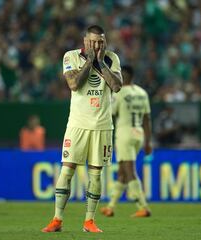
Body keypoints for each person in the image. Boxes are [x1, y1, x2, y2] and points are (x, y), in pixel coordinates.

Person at [42, 25, 123, 233]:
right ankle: (57, 219)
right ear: (85, 41)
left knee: (96, 175)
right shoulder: (71, 57)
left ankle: (89, 222)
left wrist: (100, 62)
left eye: (100, 41)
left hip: (102, 126)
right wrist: (89, 60)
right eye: (93, 41)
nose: (97, 45)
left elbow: (116, 86)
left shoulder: (112, 58)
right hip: (77, 124)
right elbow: (74, 84)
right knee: (66, 170)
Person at [100, 65, 152, 218]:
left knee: (129, 170)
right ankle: (110, 207)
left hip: (125, 134)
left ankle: (143, 206)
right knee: (123, 171)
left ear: (125, 75)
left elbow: (111, 113)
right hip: (139, 134)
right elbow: (147, 118)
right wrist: (148, 141)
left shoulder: (119, 92)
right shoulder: (142, 93)